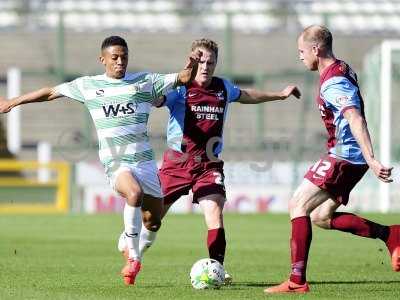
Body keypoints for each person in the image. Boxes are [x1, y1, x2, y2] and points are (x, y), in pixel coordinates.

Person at [0, 35, 201, 286]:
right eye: (114, 57)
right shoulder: (88, 85)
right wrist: (12, 102)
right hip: (116, 162)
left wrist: (192, 64)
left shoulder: (145, 81)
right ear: (102, 59)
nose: (120, 62)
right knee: (134, 194)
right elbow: (50, 92)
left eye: (124, 57)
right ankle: (134, 258)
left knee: (154, 220)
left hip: (145, 162)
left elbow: (183, 78)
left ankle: (129, 238)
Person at [264, 25, 400, 294]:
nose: (300, 57)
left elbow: (355, 117)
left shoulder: (334, 82)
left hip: (344, 156)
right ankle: (391, 234)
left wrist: (371, 159)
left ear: (316, 49)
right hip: (348, 156)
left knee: (297, 204)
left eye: (301, 51)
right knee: (321, 216)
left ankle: (296, 281)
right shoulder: (341, 68)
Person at [157, 38, 300, 282]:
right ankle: (133, 245)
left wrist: (279, 95)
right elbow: (156, 99)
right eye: (200, 61)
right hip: (177, 162)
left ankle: (217, 270)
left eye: (210, 62)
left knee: (215, 213)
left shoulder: (222, 88)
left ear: (216, 64)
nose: (205, 67)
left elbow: (247, 95)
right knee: (152, 219)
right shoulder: (179, 89)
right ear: (191, 61)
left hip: (209, 163)